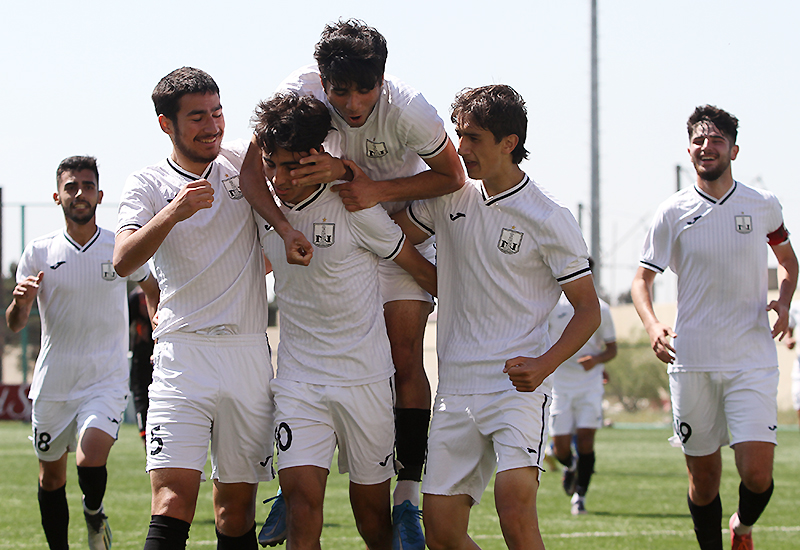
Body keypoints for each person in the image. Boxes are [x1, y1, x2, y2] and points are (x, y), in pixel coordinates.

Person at [239, 19, 464, 549]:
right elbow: (252, 173)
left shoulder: (410, 110)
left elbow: (453, 177)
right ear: (321, 81)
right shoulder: (297, 96)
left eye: (366, 89)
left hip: (392, 225)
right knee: (306, 505)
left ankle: (406, 495)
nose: (354, 102)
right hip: (335, 220)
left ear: (383, 79)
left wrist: (371, 191)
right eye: (341, 91)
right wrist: (286, 227)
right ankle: (294, 483)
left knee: (404, 356)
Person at [393, 84, 600, 550]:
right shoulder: (449, 197)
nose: (461, 148)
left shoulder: (548, 216)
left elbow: (588, 310)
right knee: (442, 533)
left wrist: (544, 365)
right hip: (455, 387)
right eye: (459, 135)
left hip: (516, 388)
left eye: (474, 138)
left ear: (509, 142)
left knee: (515, 509)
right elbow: (396, 235)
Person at [113, 67, 302, 550]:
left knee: (235, 513)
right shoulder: (147, 183)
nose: (212, 126)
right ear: (166, 124)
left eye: (217, 113)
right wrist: (174, 211)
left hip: (247, 355)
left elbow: (287, 125)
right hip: (182, 357)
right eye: (197, 117)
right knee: (172, 500)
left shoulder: (242, 162)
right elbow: (123, 260)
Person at [631, 105, 798, 550]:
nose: (707, 147)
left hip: (752, 360)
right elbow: (641, 280)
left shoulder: (763, 205)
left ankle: (741, 528)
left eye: (717, 140)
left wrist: (783, 301)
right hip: (693, 363)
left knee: (757, 475)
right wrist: (652, 325)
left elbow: (787, 261)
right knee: (703, 481)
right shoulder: (672, 211)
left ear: (734, 150)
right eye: (699, 140)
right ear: (689, 150)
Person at [6, 155, 159, 550]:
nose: (79, 194)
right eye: (71, 187)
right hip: (53, 384)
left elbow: (151, 287)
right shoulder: (38, 252)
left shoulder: (118, 247)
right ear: (57, 196)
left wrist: (160, 330)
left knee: (90, 458)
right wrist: (21, 302)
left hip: (105, 380)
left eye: (87, 186)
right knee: (51, 479)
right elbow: (15, 324)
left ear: (100, 195)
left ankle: (94, 513)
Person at [546, 258, 617, 516]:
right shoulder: (553, 306)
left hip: (590, 385)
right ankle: (571, 466)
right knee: (561, 448)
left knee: (586, 441)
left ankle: (580, 497)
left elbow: (612, 349)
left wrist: (596, 361)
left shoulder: (602, 309)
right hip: (559, 385)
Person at [129, 285, 155, 444]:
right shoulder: (137, 298)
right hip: (141, 364)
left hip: (164, 361)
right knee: (143, 411)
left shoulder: (170, 289)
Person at [786, 305, 800, 430]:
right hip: (799, 364)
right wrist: (789, 339)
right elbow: (789, 328)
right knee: (798, 397)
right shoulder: (795, 307)